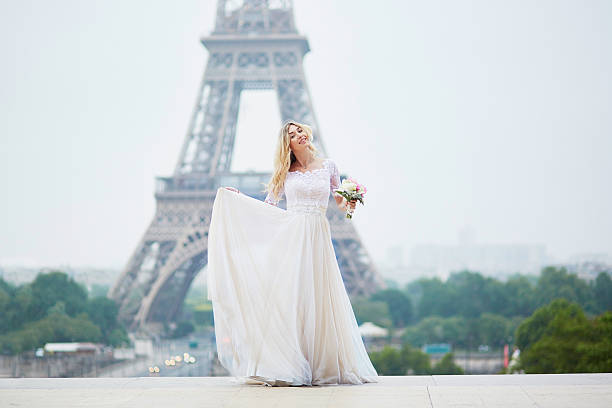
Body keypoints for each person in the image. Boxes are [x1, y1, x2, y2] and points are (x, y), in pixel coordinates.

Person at [207, 120, 379, 386]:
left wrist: (352, 199)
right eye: (292, 134)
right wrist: (238, 198)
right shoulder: (285, 172)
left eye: (300, 130)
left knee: (319, 298)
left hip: (318, 236)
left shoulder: (329, 166)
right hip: (293, 237)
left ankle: (319, 363)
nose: (298, 134)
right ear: (286, 143)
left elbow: (341, 206)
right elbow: (269, 206)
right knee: (294, 299)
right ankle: (291, 361)